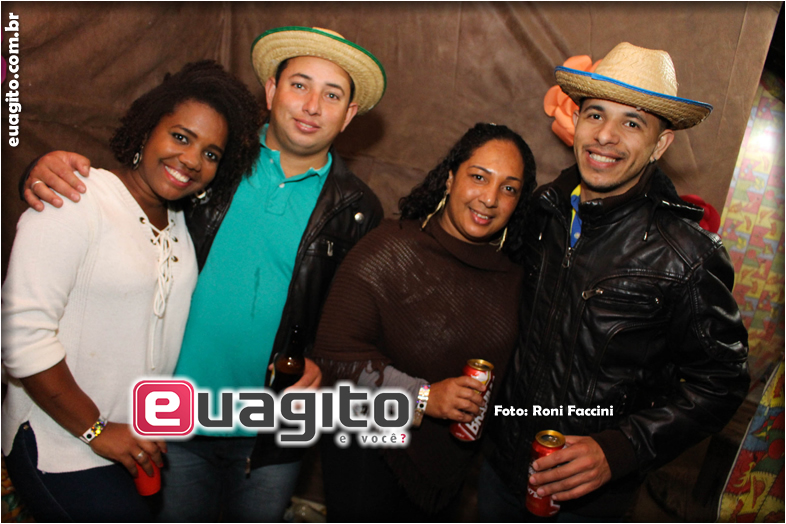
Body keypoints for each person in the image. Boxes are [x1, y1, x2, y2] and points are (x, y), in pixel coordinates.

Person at [19, 26, 385, 521]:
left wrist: (320, 361)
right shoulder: (213, 160)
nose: (312, 105)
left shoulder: (358, 209)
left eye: (332, 94)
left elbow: (352, 320)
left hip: (271, 435)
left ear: (349, 114)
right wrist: (42, 172)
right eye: (299, 84)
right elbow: (128, 199)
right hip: (173, 421)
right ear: (271, 90)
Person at [480, 42, 750, 521]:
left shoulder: (686, 255)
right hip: (502, 467)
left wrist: (623, 447)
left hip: (588, 500)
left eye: (632, 123)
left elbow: (722, 382)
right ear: (577, 121)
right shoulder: (545, 211)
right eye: (595, 114)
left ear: (660, 145)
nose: (605, 135)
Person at [2, 60, 263, 522]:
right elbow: (21, 338)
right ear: (147, 129)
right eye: (180, 136)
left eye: (210, 153)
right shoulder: (76, 199)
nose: (191, 159)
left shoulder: (180, 226)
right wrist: (97, 431)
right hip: (60, 442)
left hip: (133, 446)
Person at [312, 123, 537, 521]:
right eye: (479, 177)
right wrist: (422, 397)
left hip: (450, 467)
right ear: (450, 178)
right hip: (370, 451)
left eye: (508, 188)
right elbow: (333, 356)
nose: (489, 198)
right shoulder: (389, 248)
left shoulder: (515, 275)